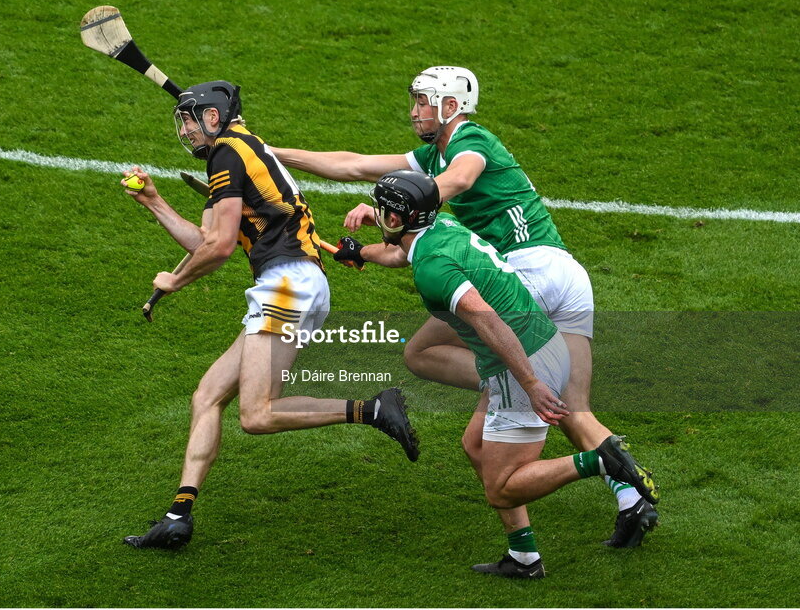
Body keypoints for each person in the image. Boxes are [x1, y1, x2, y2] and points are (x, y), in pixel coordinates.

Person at [270, 67, 657, 548]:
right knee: (570, 406)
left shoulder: (468, 142)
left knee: (423, 353)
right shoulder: (431, 154)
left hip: (525, 278)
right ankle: (631, 497)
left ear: (451, 107)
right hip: (567, 275)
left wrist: (398, 207)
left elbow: (458, 179)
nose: (413, 111)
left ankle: (513, 391)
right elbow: (352, 164)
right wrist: (271, 154)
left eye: (423, 102)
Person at [120, 81, 419, 550]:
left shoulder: (229, 154)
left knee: (256, 415)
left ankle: (372, 409)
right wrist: (155, 201)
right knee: (207, 395)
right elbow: (206, 240)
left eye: (189, 119)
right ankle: (178, 515)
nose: (184, 130)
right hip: (293, 284)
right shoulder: (238, 157)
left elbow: (218, 250)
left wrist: (174, 282)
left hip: (286, 285)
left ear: (213, 119)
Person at [361, 169, 658, 578]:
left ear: (397, 219)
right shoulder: (442, 225)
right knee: (476, 447)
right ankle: (523, 557)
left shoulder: (431, 267)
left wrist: (531, 384)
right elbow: (398, 253)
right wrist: (357, 253)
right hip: (538, 344)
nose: (377, 215)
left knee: (501, 485)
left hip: (520, 364)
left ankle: (601, 461)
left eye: (382, 211)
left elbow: (488, 323)